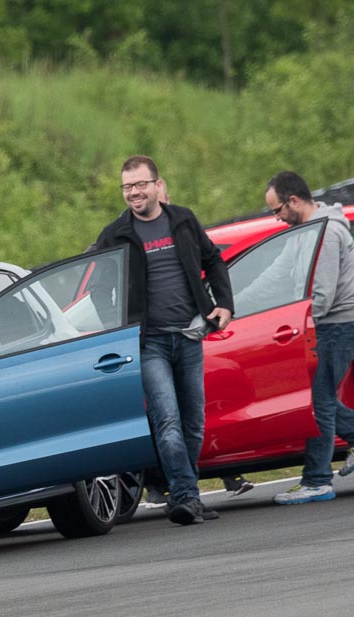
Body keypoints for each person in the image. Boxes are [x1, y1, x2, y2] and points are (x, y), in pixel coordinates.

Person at [93, 156, 234, 525]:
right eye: (127, 187)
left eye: (140, 185)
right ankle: (186, 497)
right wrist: (119, 326)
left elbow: (214, 261)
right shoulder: (115, 234)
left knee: (194, 423)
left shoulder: (182, 220)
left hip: (190, 336)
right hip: (149, 344)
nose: (134, 193)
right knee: (166, 421)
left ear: (158, 185)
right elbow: (97, 288)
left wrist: (224, 305)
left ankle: (185, 494)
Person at [266, 171, 354, 504]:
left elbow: (323, 293)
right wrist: (235, 299)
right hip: (336, 324)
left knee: (318, 403)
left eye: (277, 210)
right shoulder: (305, 232)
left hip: (345, 323)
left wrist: (292, 323)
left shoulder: (327, 232)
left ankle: (318, 480)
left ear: (295, 201)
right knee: (321, 400)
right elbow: (276, 273)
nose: (276, 218)